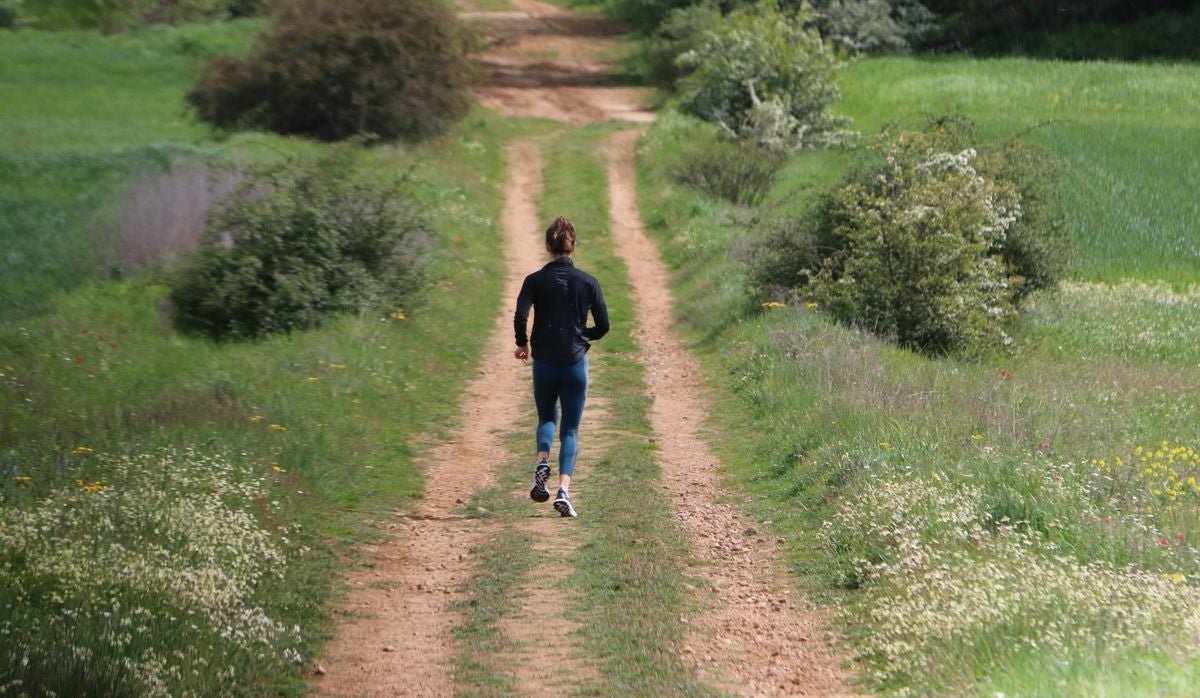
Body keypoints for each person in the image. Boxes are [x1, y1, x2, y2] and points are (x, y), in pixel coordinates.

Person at [513, 216, 609, 517]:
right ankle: (564, 491)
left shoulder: (534, 280)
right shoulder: (589, 282)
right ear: (573, 246)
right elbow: (604, 326)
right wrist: (583, 335)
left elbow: (520, 315)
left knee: (546, 417)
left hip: (543, 362)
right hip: (574, 363)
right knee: (570, 428)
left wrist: (523, 342)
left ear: (547, 246)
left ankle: (542, 461)